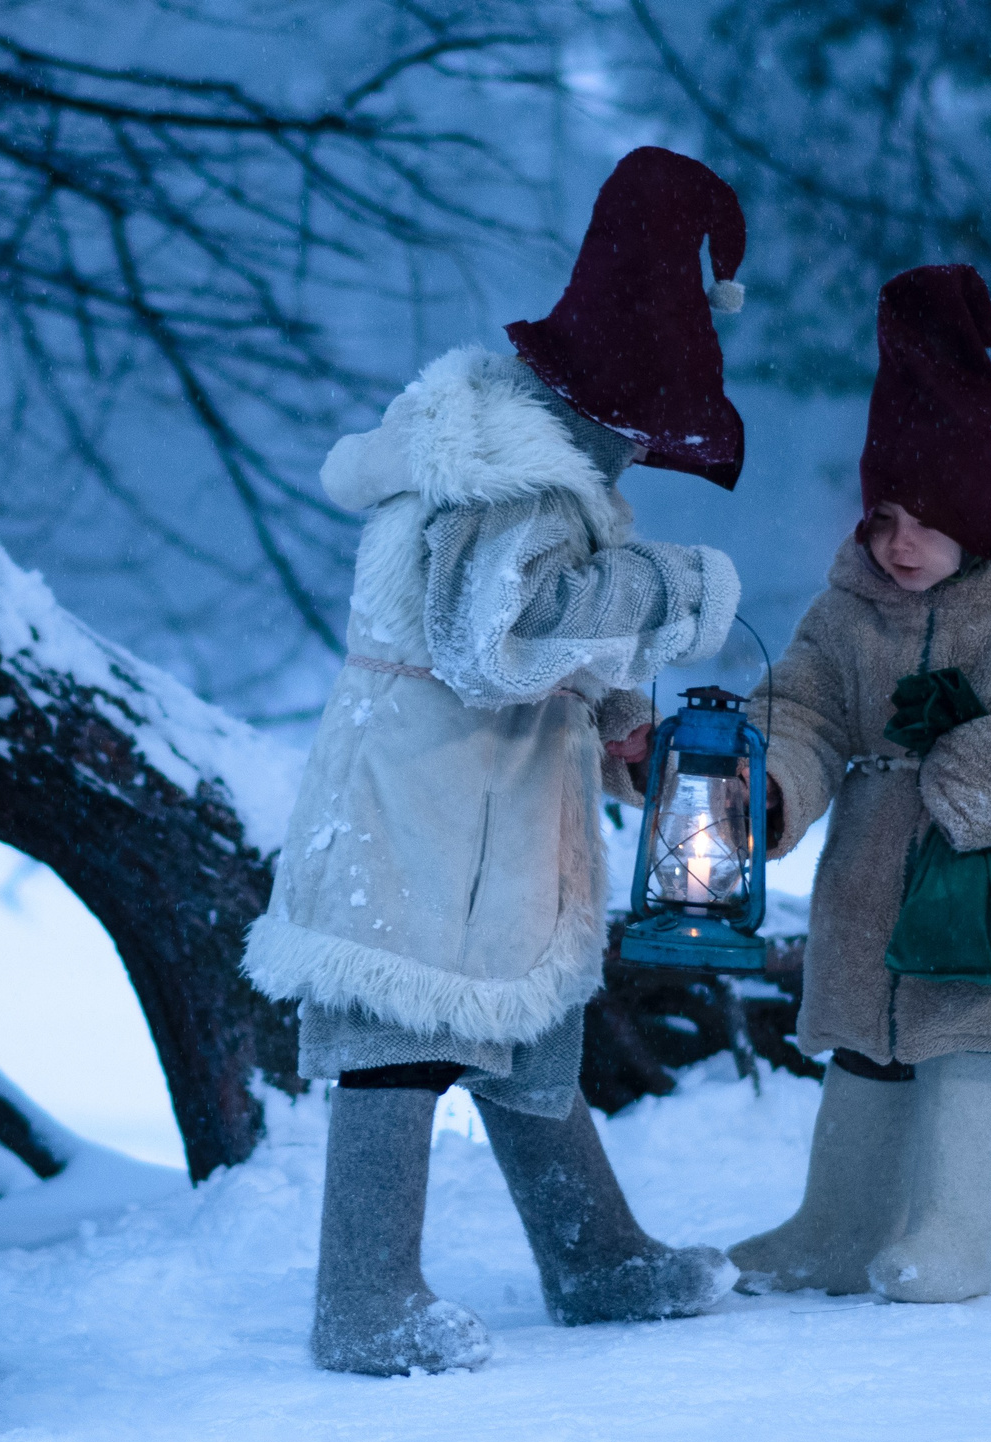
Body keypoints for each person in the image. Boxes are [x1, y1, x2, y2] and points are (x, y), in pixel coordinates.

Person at [243, 148, 748, 1375]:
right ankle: (363, 1299)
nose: (638, 464)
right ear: (612, 408)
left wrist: (620, 701)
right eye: (642, 435)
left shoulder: (526, 470)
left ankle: (592, 1254)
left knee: (527, 1039)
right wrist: (671, 590)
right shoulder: (513, 483)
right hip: (422, 807)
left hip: (479, 806)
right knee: (400, 1038)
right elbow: (496, 636)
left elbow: (523, 631)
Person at [730, 263, 991, 1305]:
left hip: (988, 885)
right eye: (879, 517)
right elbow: (805, 708)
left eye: (920, 518)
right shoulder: (846, 612)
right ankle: (836, 1224)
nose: (895, 542)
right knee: (866, 1052)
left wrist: (973, 771)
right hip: (874, 880)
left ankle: (953, 1233)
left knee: (968, 1052)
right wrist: (771, 782)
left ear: (971, 508)